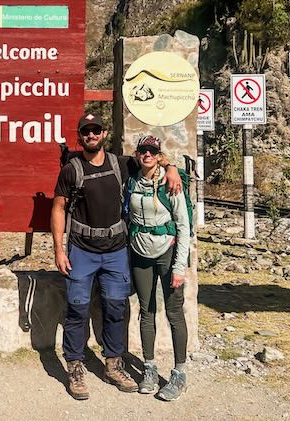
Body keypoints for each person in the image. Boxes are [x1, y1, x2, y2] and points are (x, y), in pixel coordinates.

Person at [51, 112, 181, 400]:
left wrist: (170, 167)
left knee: (115, 308)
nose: (91, 135)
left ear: (104, 134)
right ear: (80, 136)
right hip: (81, 250)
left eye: (96, 130)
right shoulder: (71, 169)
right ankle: (74, 366)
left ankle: (113, 364)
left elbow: (151, 158)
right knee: (77, 309)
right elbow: (58, 208)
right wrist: (59, 249)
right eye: (86, 131)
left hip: (115, 251)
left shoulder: (119, 163)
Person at [126, 135, 190, 401]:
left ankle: (179, 373)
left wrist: (179, 266)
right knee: (146, 310)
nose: (147, 155)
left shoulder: (169, 183)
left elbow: (184, 225)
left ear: (159, 154)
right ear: (138, 154)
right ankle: (149, 368)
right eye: (143, 150)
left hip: (166, 253)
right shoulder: (131, 178)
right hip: (140, 253)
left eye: (153, 151)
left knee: (174, 312)